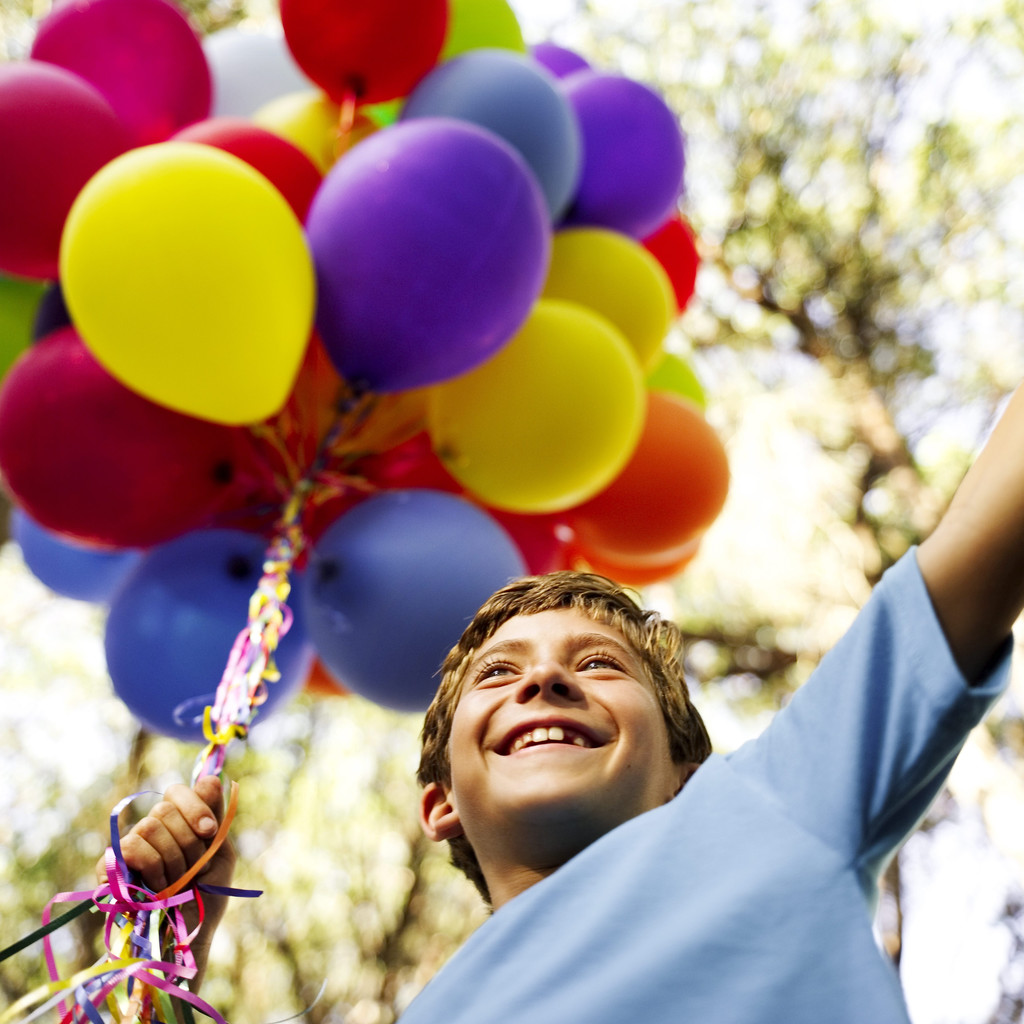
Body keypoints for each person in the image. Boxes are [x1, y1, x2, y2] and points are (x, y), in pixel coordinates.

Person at [107, 384, 1024, 1022]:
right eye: (499, 675)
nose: (546, 680)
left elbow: (988, 529)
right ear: (441, 804)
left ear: (686, 770)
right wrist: (161, 963)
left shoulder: (766, 806)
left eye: (597, 664)